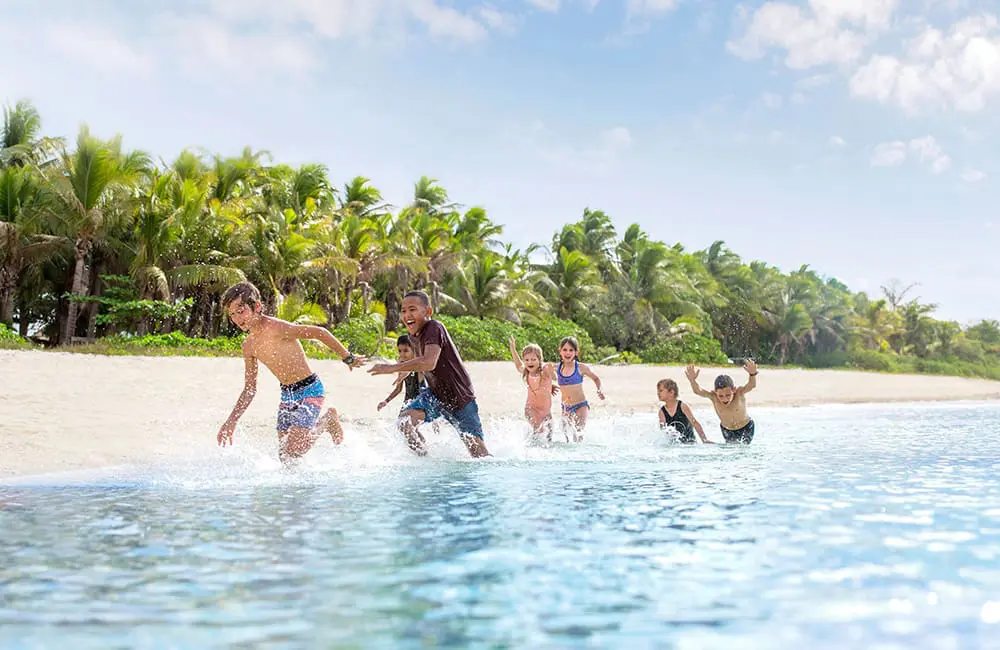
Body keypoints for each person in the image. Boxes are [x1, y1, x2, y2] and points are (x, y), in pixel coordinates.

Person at [216, 281, 366, 465]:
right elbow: (249, 389)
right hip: (287, 395)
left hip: (310, 388)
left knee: (295, 450)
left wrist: (347, 357)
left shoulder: (277, 328)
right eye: (232, 314)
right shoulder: (248, 346)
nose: (237, 318)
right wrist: (231, 421)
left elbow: (319, 332)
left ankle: (327, 421)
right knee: (285, 458)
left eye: (241, 311)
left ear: (257, 306)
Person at [367, 290, 490, 458]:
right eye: (403, 311)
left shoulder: (434, 327)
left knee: (479, 454)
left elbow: (429, 362)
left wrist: (391, 367)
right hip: (435, 395)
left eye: (412, 309)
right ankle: (426, 461)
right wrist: (405, 370)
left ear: (428, 312)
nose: (407, 315)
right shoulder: (412, 336)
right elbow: (420, 361)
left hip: (460, 398)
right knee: (405, 423)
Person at [684, 360, 758, 444]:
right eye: (721, 396)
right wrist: (692, 381)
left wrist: (752, 374)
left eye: (728, 395)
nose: (725, 399)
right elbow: (698, 391)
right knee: (730, 451)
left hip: (746, 427)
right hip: (727, 429)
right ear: (715, 392)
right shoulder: (713, 397)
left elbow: (751, 385)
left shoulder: (739, 393)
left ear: (734, 390)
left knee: (741, 450)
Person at [552, 336, 605, 442]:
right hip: (566, 407)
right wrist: (550, 385)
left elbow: (596, 378)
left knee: (578, 432)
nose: (568, 353)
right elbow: (543, 374)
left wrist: (599, 390)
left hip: (581, 405)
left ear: (576, 352)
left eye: (571, 350)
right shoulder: (556, 368)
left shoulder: (581, 368)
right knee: (567, 436)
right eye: (565, 350)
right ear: (560, 351)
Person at [509, 335, 558, 442]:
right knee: (538, 430)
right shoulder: (526, 373)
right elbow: (518, 365)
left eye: (533, 359)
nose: (529, 362)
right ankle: (530, 448)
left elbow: (555, 378)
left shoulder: (544, 371)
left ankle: (534, 448)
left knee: (549, 436)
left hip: (546, 411)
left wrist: (550, 370)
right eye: (526, 360)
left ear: (539, 360)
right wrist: (512, 349)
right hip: (531, 409)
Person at [377, 334, 425, 414]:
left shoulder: (421, 364)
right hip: (408, 402)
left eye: (406, 351)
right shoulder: (401, 365)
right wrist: (386, 401)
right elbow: (398, 389)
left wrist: (408, 370)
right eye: (400, 351)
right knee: (399, 425)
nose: (402, 354)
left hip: (422, 403)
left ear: (414, 350)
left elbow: (419, 369)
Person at [656, 378, 713, 444]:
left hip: (690, 443)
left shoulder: (682, 406)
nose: (658, 393)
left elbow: (694, 423)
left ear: (671, 392)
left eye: (661, 391)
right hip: (675, 446)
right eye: (658, 391)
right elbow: (663, 432)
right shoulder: (662, 412)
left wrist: (704, 440)